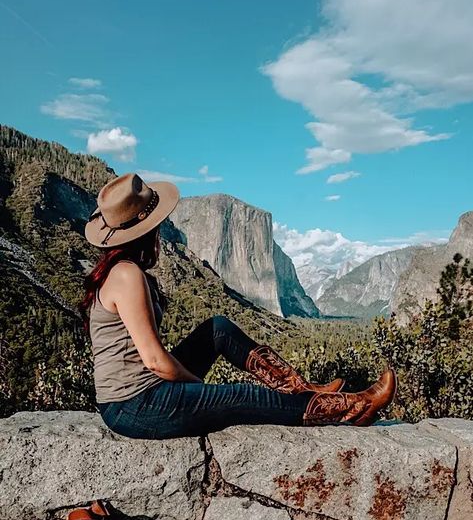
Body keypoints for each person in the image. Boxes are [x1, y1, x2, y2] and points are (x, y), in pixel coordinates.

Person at [81, 173, 396, 440]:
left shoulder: (119, 271)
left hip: (134, 399)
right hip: (136, 404)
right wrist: (202, 390)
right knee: (243, 395)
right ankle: (353, 406)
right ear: (146, 228)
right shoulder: (126, 274)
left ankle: (302, 390)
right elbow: (155, 361)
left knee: (218, 329)